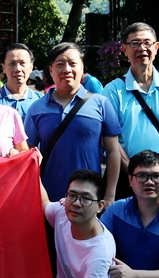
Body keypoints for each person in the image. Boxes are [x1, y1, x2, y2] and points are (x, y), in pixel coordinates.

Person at [103, 23, 159, 198]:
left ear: (156, 47)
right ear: (124, 49)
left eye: (147, 43)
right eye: (135, 43)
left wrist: (155, 171)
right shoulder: (113, 90)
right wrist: (133, 173)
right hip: (123, 175)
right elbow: (109, 139)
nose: (142, 48)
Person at [25, 43, 122, 206]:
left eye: (73, 63)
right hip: (49, 200)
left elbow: (113, 151)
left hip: (89, 198)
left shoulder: (101, 104)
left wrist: (110, 195)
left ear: (82, 67)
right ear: (51, 70)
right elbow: (28, 155)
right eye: (60, 64)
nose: (67, 69)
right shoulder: (36, 108)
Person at [0, 43, 42, 117]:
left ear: (31, 67)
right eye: (12, 63)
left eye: (22, 63)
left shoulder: (41, 101)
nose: (18, 69)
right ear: (3, 68)